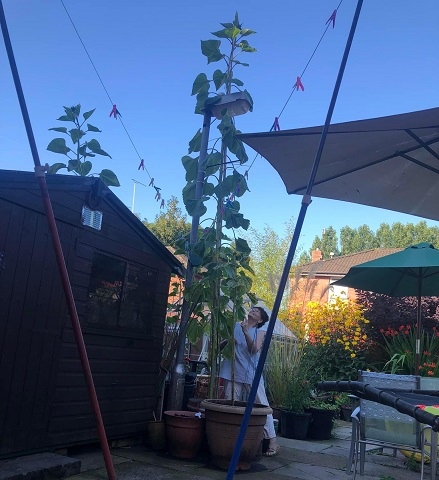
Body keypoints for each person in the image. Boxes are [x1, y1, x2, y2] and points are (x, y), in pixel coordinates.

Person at [219, 306, 280, 457]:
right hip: (232, 372)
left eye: (257, 311)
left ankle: (272, 440)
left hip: (251, 374)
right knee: (230, 403)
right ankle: (230, 439)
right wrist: (227, 341)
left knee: (262, 405)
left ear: (260, 320)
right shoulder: (235, 326)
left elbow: (254, 349)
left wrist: (246, 332)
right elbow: (221, 346)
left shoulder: (258, 332)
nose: (253, 310)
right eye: (252, 309)